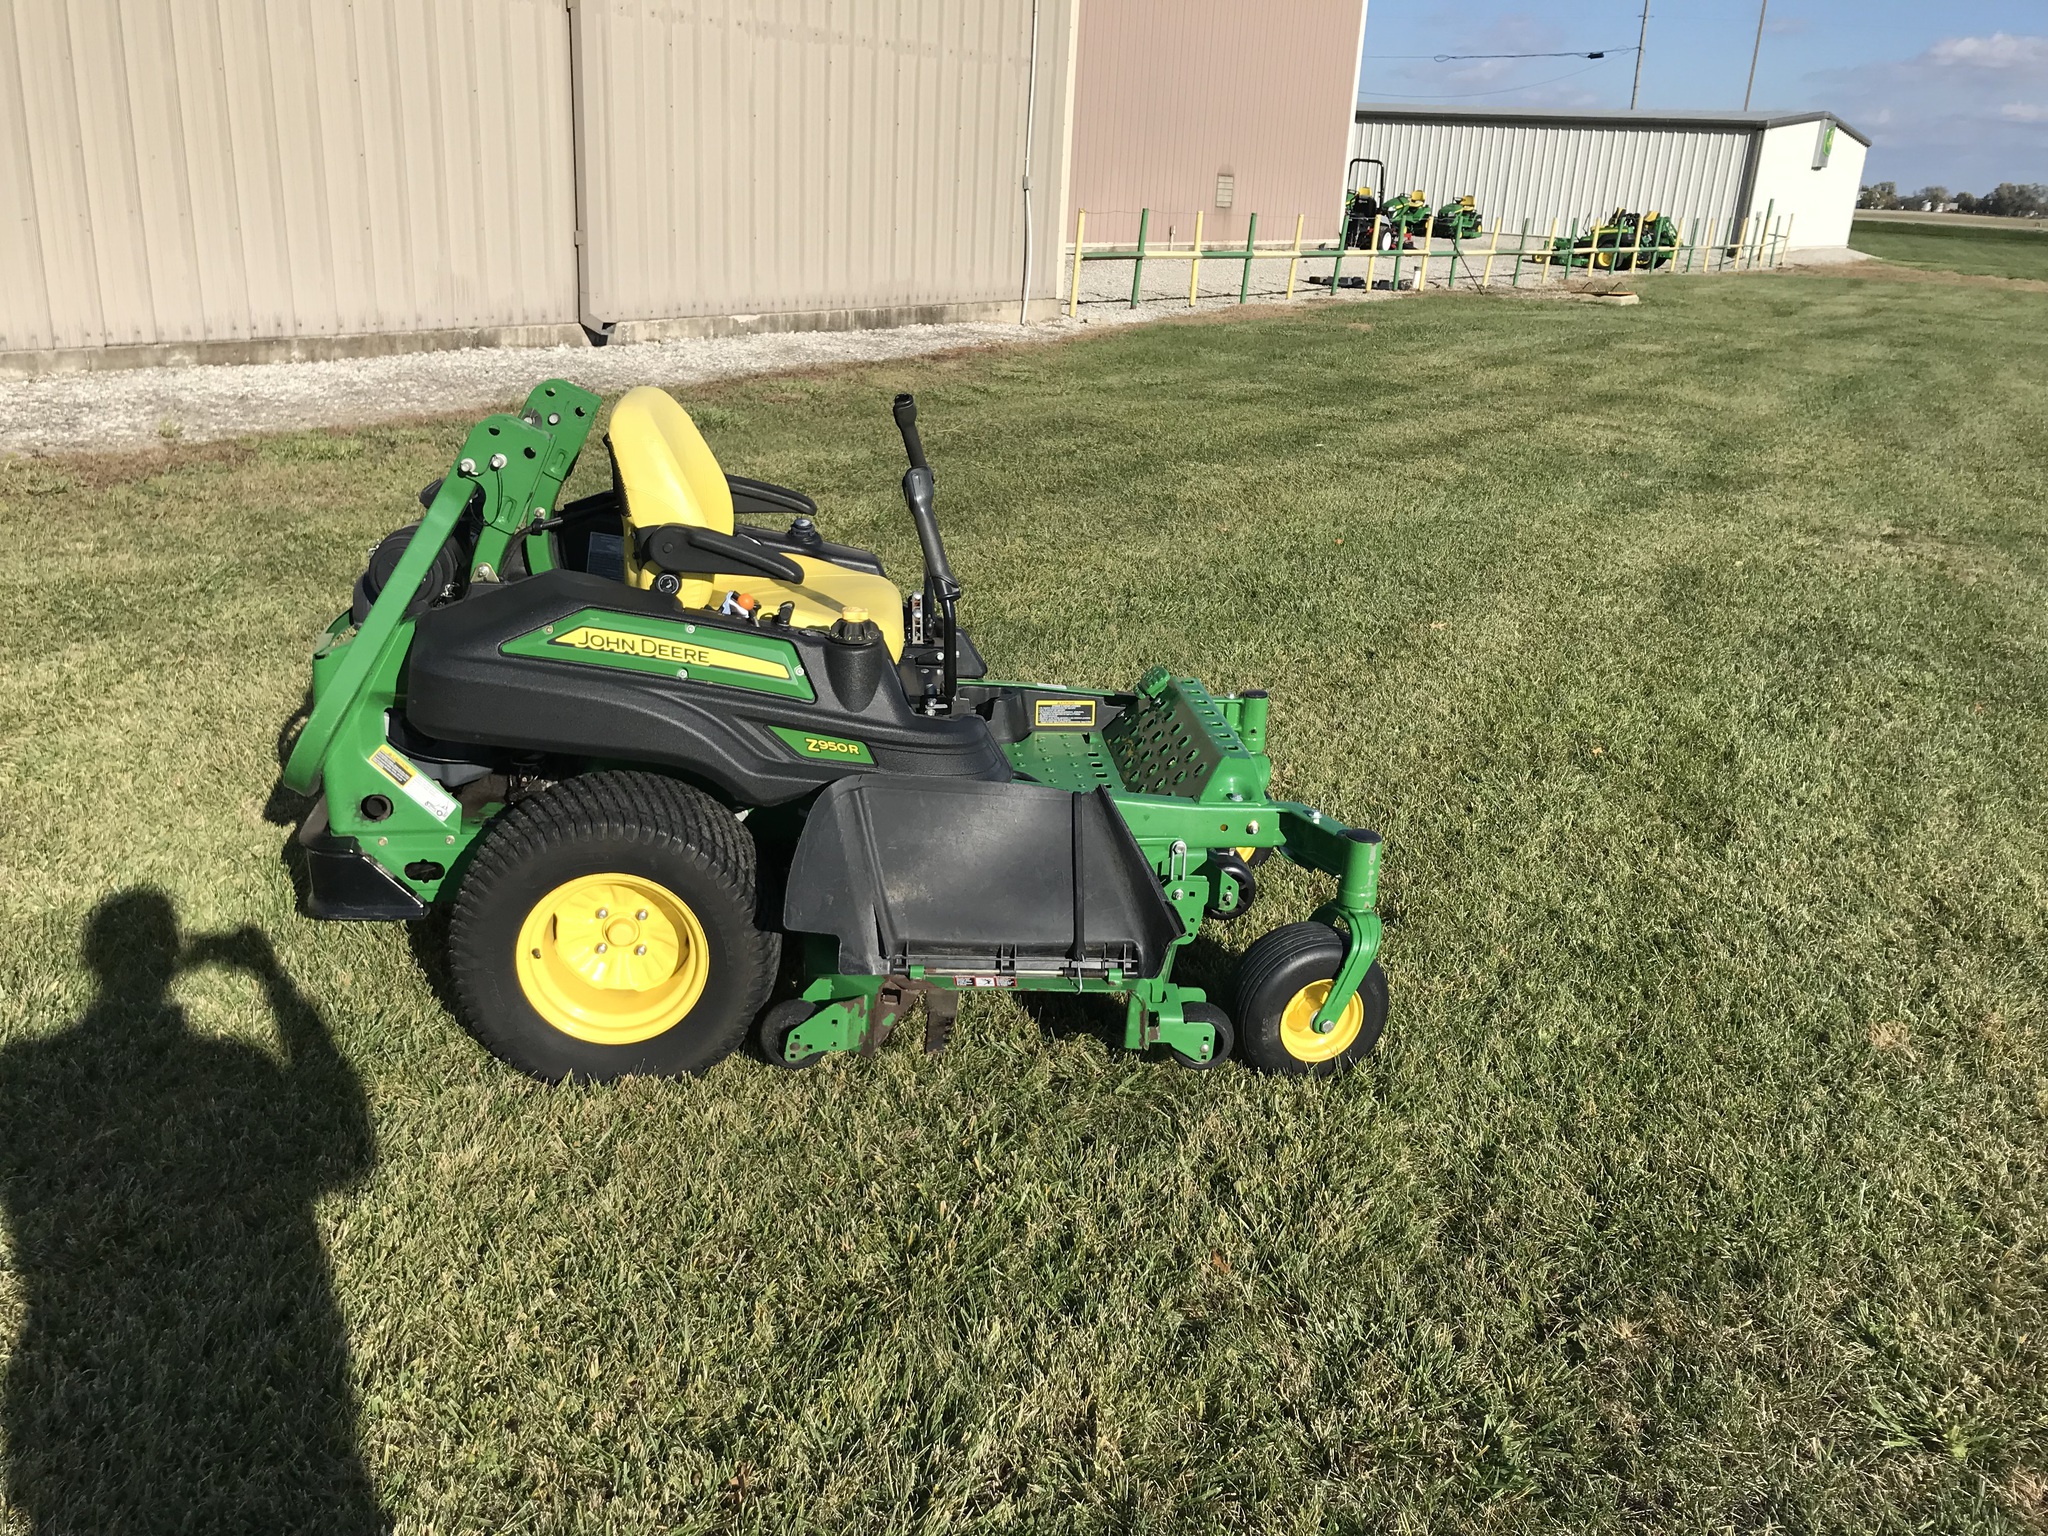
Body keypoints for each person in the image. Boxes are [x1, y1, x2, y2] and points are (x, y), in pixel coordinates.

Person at [0, 890, 380, 1533]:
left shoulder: (20, 1066)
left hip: (62, 1377)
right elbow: (350, 1154)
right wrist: (270, 976)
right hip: (287, 1350)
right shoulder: (238, 1063)